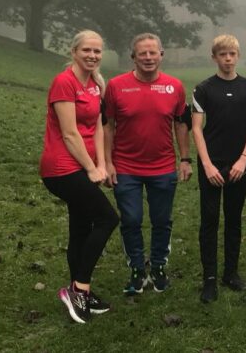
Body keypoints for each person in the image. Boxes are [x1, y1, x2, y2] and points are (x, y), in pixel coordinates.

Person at [104, 33, 192, 296]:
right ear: (133, 57)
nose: (148, 57)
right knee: (131, 220)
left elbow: (181, 124)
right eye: (142, 53)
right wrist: (107, 162)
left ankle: (159, 267)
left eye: (153, 52)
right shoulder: (116, 86)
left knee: (161, 220)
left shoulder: (175, 86)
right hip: (125, 166)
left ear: (161, 55)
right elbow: (108, 126)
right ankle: (136, 269)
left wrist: (185, 159)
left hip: (163, 166)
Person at [41, 30, 119, 323]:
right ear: (74, 52)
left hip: (84, 164)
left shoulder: (96, 85)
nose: (93, 55)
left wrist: (101, 163)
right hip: (62, 168)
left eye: (97, 51)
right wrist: (90, 168)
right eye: (87, 50)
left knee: (81, 228)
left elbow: (97, 127)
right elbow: (70, 133)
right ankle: (79, 288)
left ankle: (80, 292)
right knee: (108, 218)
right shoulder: (64, 82)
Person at [191, 35, 246, 303]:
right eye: (223, 54)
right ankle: (209, 279)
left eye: (232, 54)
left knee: (233, 219)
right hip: (211, 164)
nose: (228, 59)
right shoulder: (203, 89)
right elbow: (197, 128)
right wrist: (207, 165)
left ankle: (230, 273)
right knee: (209, 221)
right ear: (214, 57)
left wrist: (243, 159)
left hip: (239, 164)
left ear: (238, 56)